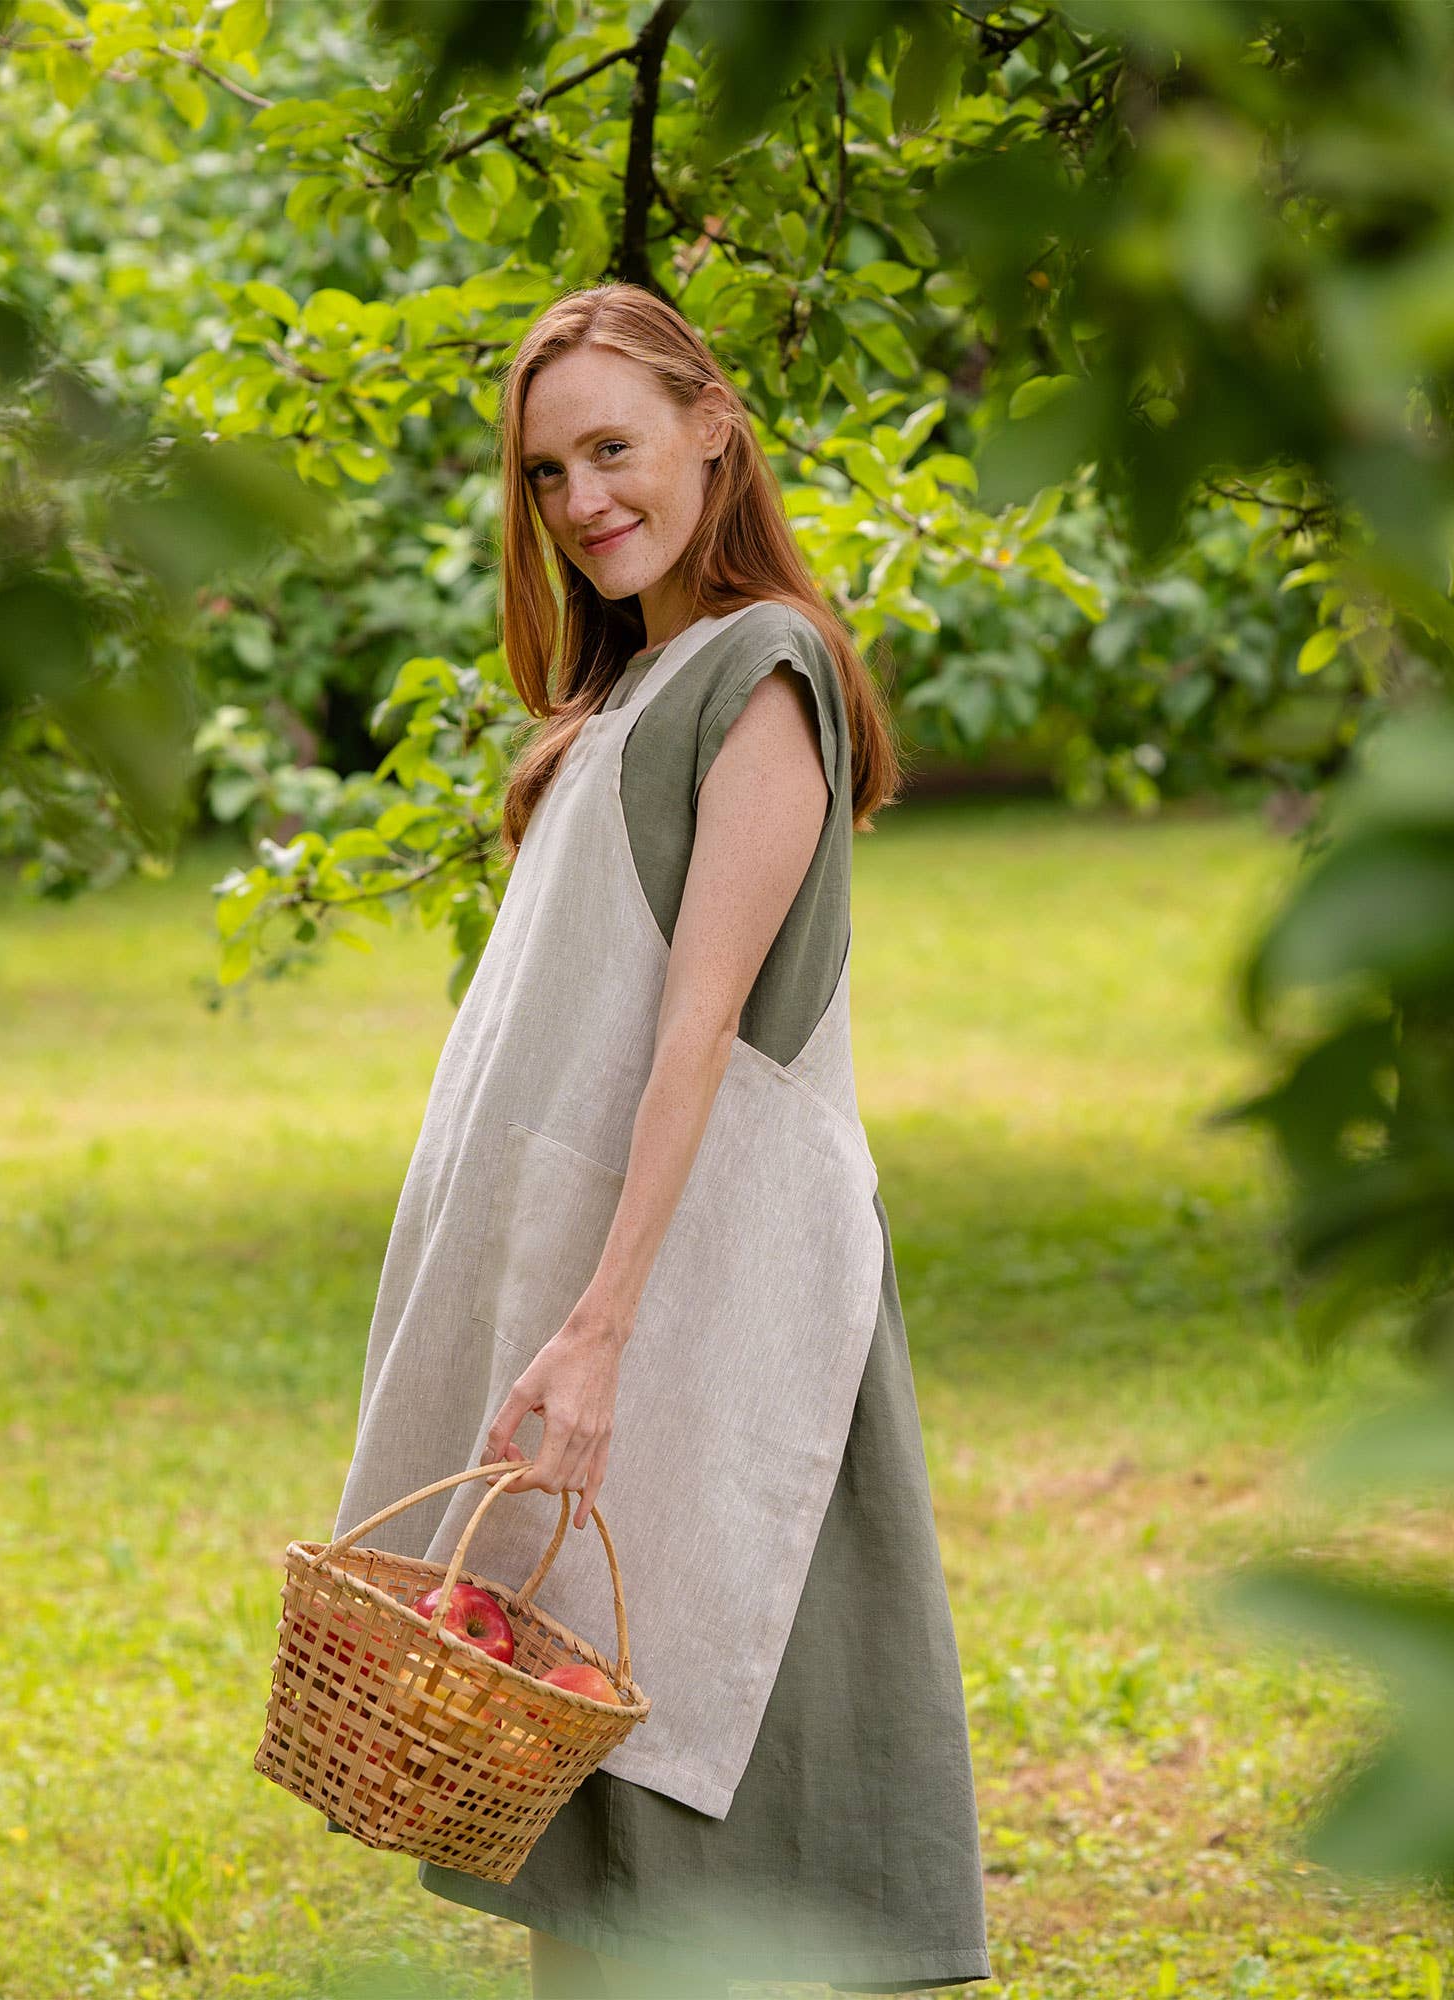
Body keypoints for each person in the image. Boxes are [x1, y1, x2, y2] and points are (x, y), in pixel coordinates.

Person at [324, 283, 990, 1997]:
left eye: (611, 449)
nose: (581, 502)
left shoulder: (762, 676)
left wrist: (604, 1325)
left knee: (724, 1802)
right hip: (597, 1295)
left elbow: (701, 1033)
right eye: (546, 475)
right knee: (590, 1834)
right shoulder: (629, 691)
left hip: (706, 1309)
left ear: (714, 425)